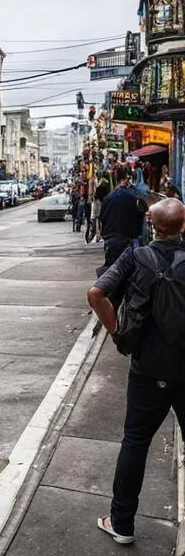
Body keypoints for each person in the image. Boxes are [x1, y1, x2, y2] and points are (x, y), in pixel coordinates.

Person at [87, 198, 185, 545]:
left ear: (151, 224)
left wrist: (116, 332)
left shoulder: (136, 256)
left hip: (147, 369)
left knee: (136, 442)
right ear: (183, 225)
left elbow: (97, 293)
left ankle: (122, 522)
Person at [101, 166, 147, 273]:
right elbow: (140, 216)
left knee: (112, 273)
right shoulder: (134, 197)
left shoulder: (107, 198)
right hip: (126, 241)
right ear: (126, 178)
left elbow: (102, 218)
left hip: (110, 241)